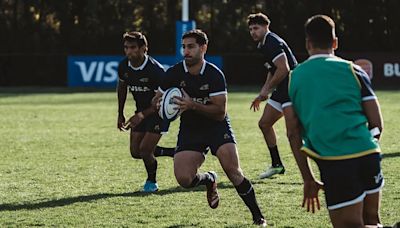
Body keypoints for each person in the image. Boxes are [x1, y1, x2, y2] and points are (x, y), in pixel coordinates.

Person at [282, 15, 384, 227]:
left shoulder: (294, 78)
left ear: (307, 43)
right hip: (368, 153)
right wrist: (365, 143)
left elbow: (293, 132)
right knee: (371, 221)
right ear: (335, 42)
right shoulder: (353, 70)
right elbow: (377, 123)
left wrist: (308, 178)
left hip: (336, 162)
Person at [157, 29, 267, 226]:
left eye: (191, 47)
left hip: (216, 126)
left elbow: (220, 112)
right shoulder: (174, 73)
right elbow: (158, 98)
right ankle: (209, 179)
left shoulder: (214, 74)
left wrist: (192, 105)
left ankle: (258, 216)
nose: (186, 51)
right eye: (184, 47)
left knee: (234, 172)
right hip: (191, 128)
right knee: (184, 179)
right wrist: (161, 105)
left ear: (203, 48)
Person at [117, 31, 175, 192]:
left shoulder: (156, 71)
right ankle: (173, 152)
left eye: (133, 47)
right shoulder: (123, 66)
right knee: (136, 152)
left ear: (144, 49)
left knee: (145, 150)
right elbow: (122, 88)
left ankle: (152, 182)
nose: (129, 51)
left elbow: (162, 101)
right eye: (126, 47)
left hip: (160, 112)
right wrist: (120, 113)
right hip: (141, 111)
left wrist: (141, 115)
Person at [247, 13, 298, 179]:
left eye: (256, 28)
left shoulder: (272, 42)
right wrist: (263, 92)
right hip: (282, 89)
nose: (253, 32)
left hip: (292, 89)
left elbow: (284, 68)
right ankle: (277, 165)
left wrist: (267, 89)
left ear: (266, 27)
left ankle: (324, 168)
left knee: (295, 134)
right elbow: (273, 70)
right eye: (250, 29)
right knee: (264, 124)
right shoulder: (262, 44)